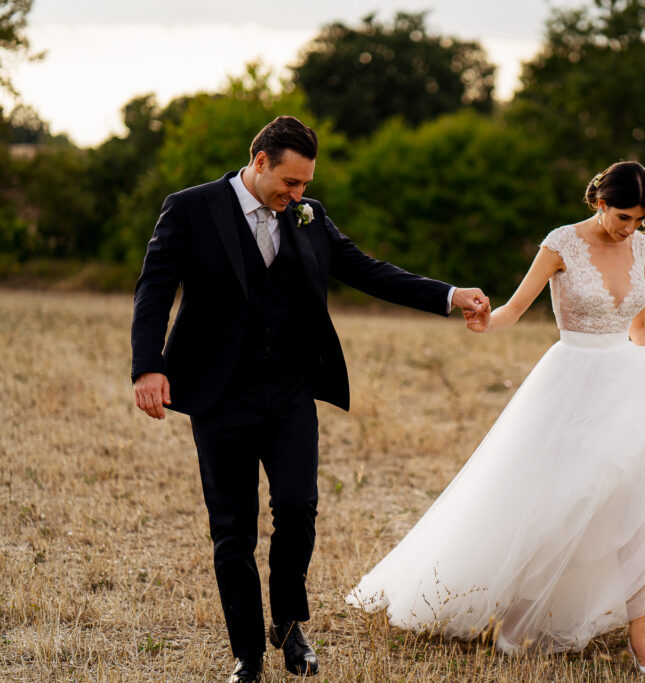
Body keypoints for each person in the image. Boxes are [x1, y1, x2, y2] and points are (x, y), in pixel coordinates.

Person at [130, 115, 489, 683]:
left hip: (291, 391)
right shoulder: (191, 208)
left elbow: (366, 270)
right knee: (233, 528)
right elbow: (153, 289)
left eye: (305, 185)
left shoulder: (309, 215)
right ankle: (247, 652)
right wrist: (148, 366)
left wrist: (448, 295)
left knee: (298, 508)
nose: (299, 196)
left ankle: (291, 626)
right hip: (221, 396)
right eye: (290, 184)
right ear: (259, 162)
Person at [346, 161, 645, 676]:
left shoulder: (640, 248)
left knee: (637, 502)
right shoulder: (561, 244)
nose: (630, 228)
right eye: (623, 217)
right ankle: (520, 610)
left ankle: (639, 632)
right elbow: (515, 309)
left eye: (639, 219)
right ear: (600, 202)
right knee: (559, 500)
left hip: (629, 385)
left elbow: (641, 325)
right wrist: (485, 320)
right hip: (573, 383)